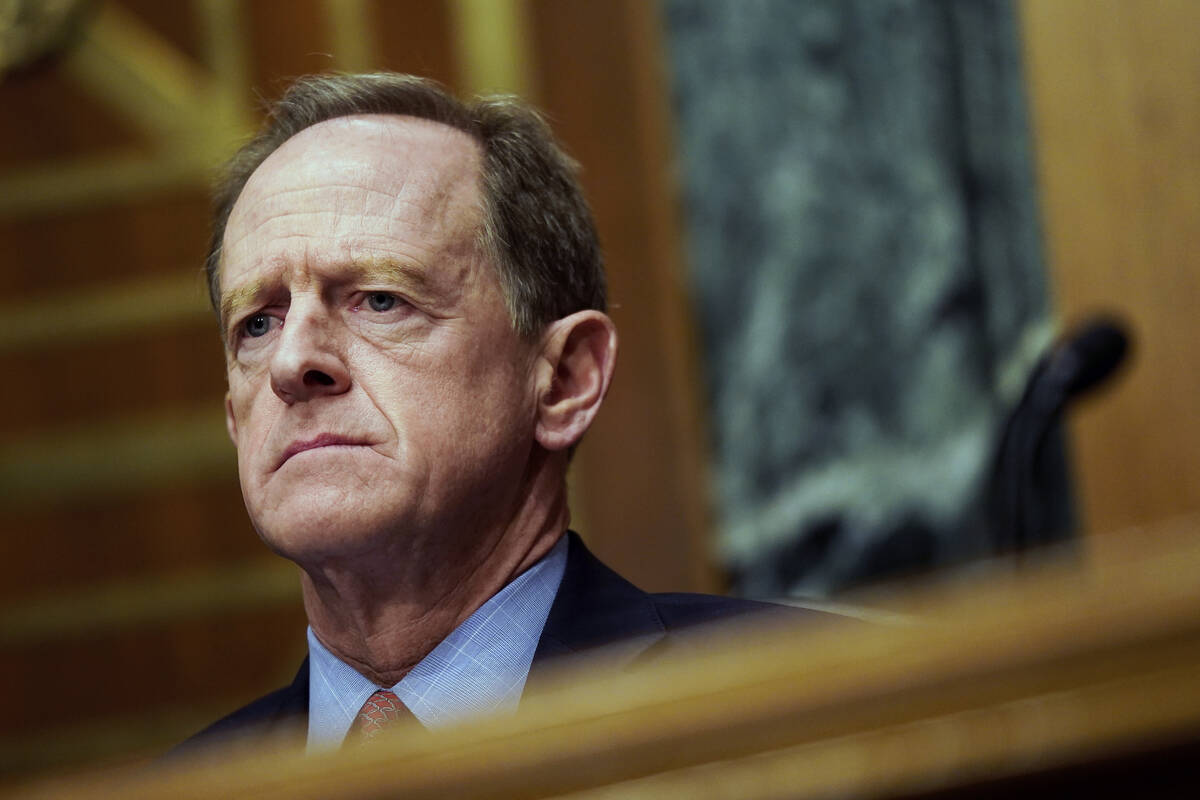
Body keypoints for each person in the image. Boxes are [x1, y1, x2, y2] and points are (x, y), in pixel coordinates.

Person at [179, 72, 811, 754]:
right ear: (234, 420)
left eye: (380, 299)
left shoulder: (816, 705)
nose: (290, 362)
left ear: (565, 379)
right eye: (257, 324)